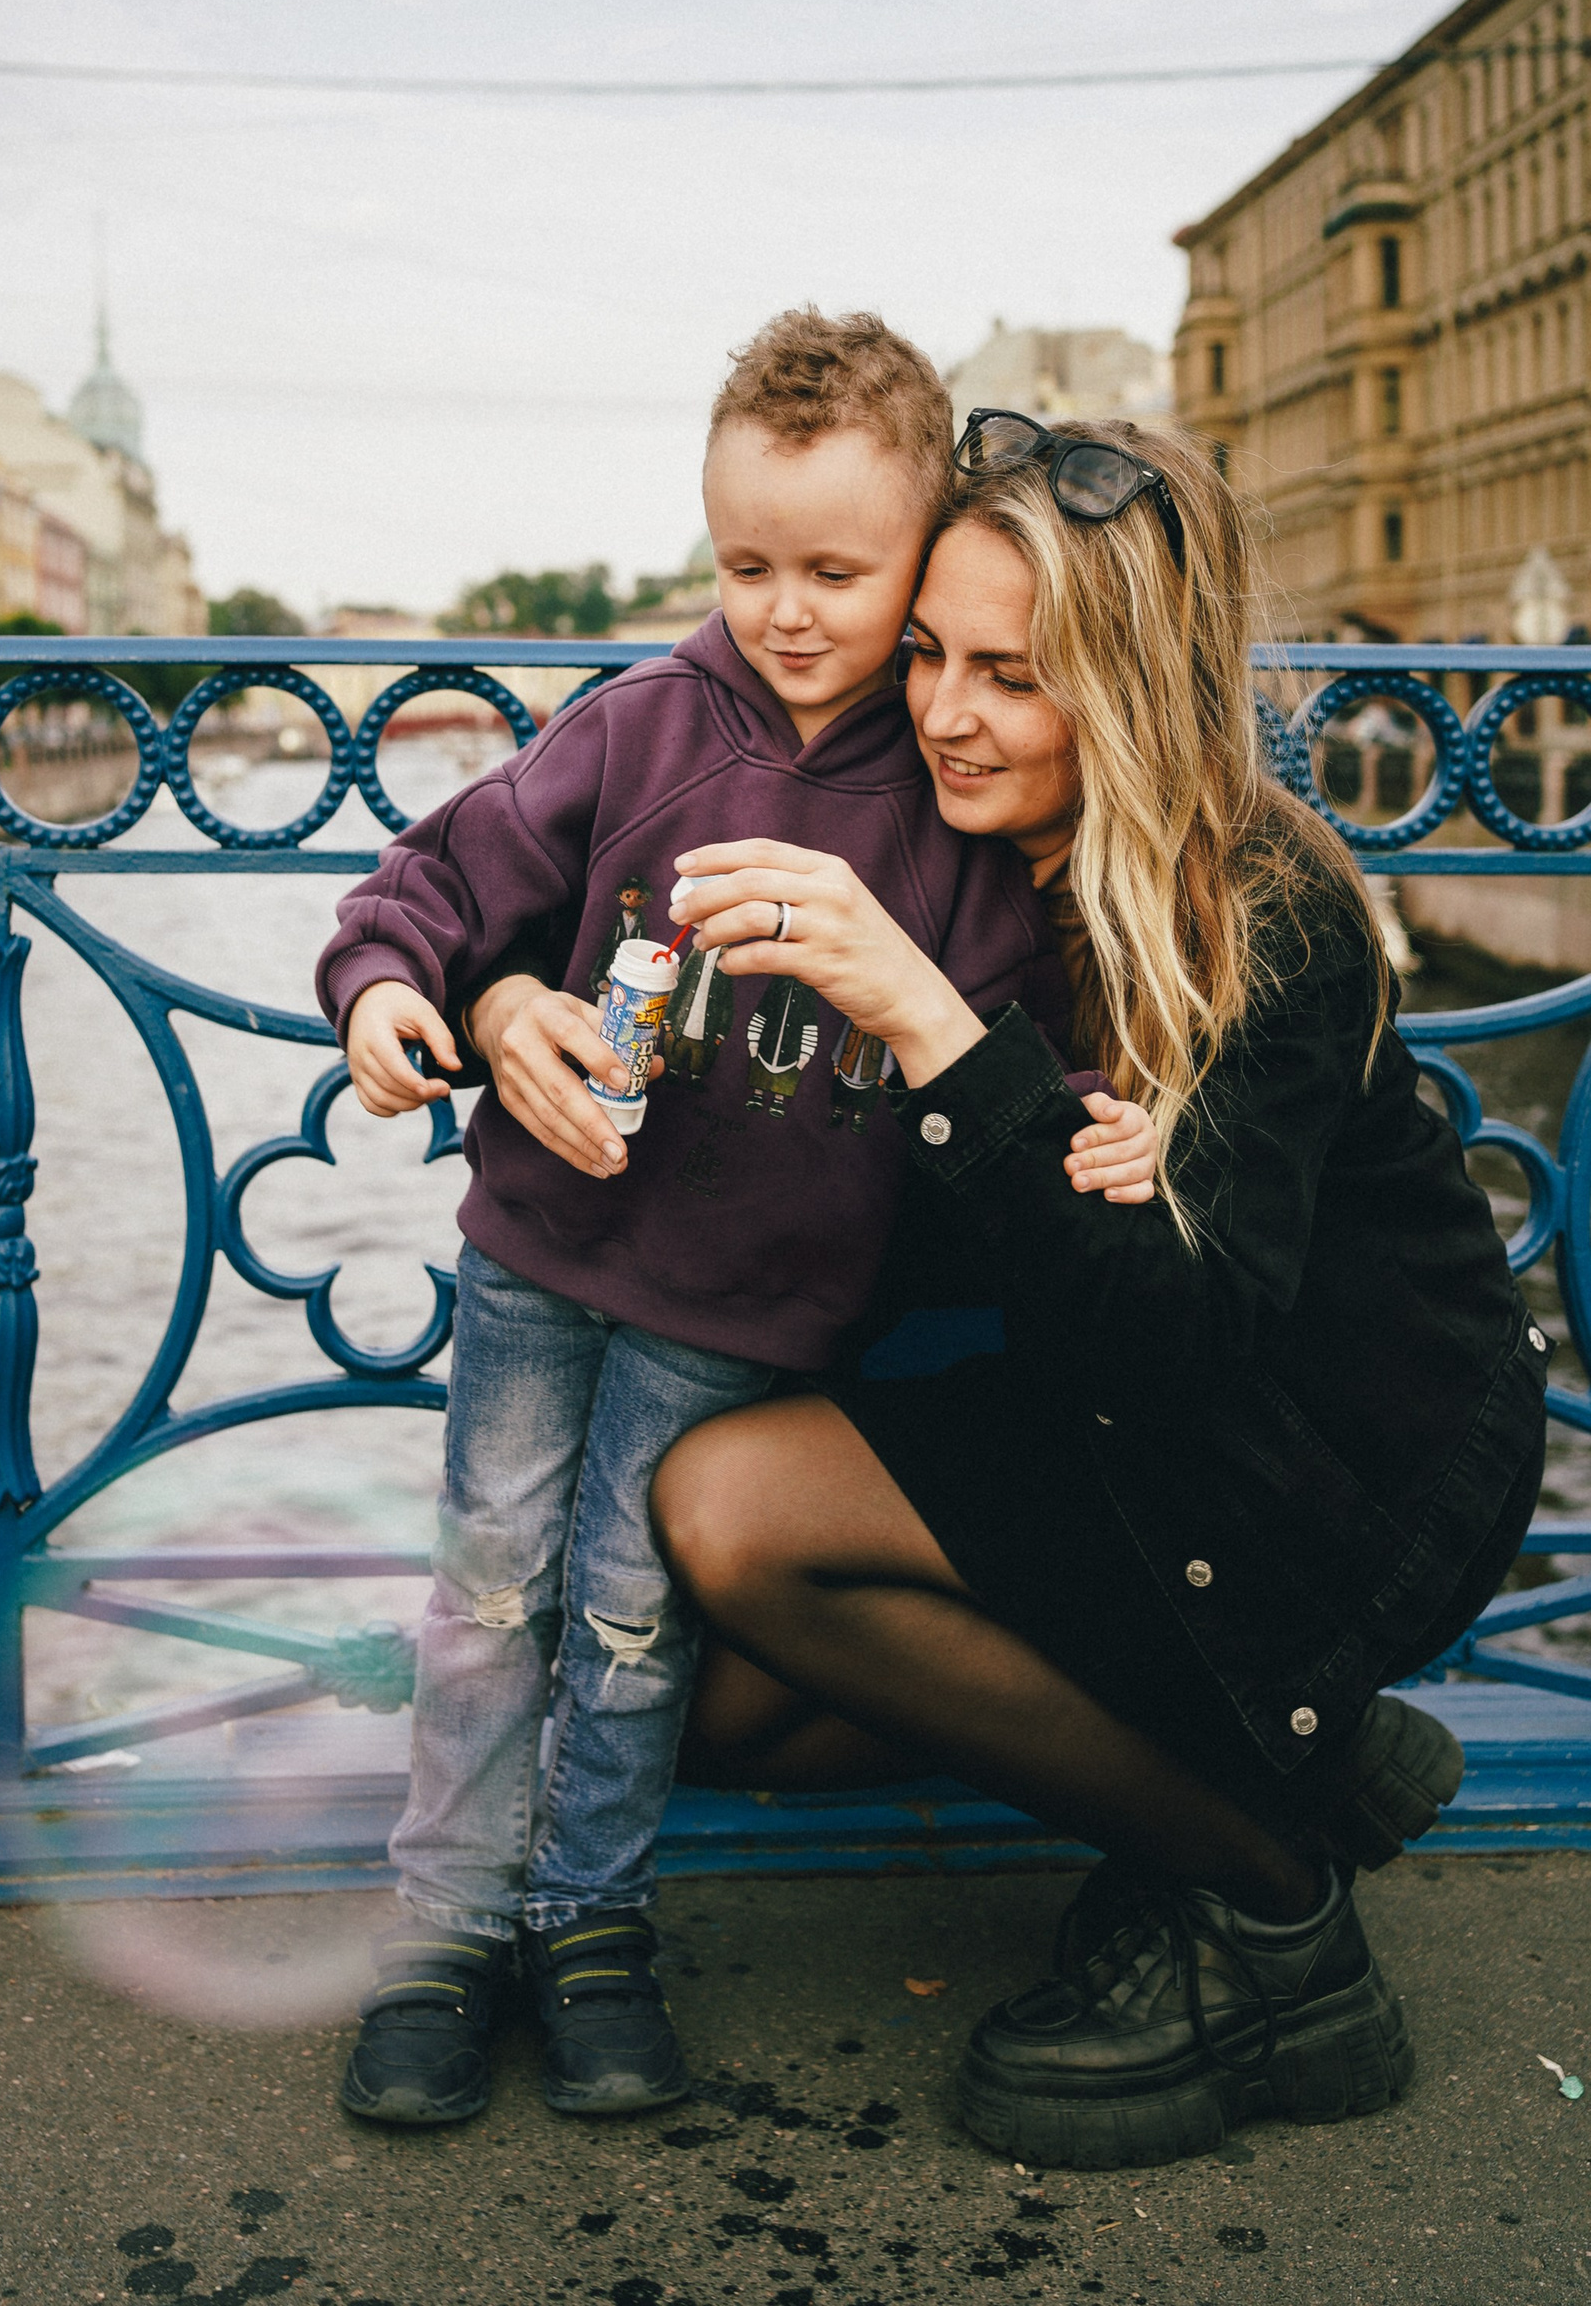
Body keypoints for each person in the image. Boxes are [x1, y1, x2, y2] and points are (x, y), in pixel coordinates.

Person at [650, 409, 1550, 2173]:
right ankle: (1286, 1758)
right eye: (928, 652)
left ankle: (1272, 1910)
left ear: (1132, 689)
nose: (942, 712)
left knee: (730, 1513)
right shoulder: (961, 848)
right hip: (1124, 1412)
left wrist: (936, 1031)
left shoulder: (1261, 913)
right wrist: (509, 1005)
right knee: (721, 1709)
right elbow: (639, 796)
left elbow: (1176, 1341)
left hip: (1336, 1458)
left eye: (1013, 675)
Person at [315, 315, 1159, 2129]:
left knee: (633, 1616)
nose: (784, 611)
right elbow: (446, 879)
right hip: (542, 1251)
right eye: (746, 564)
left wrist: (1114, 1125)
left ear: (924, 551)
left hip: (753, 1301)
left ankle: (590, 1925)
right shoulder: (639, 725)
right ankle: (443, 1932)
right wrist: (397, 988)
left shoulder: (952, 799)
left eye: (838, 574)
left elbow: (1019, 1049)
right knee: (488, 1592)